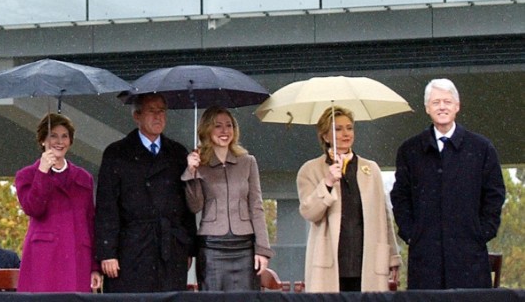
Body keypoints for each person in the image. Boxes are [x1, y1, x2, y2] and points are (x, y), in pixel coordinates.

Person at [390, 78, 505, 289]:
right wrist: (411, 234)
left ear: (457, 106)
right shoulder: (410, 150)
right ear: (427, 108)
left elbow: (494, 195)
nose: (442, 107)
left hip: (468, 257)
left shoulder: (481, 148)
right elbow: (400, 197)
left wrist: (481, 233)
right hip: (426, 259)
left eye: (447, 101)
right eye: (435, 102)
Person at [95, 93, 196, 292]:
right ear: (137, 116)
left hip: (170, 248)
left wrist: (188, 247)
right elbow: (106, 207)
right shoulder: (117, 153)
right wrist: (107, 252)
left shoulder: (177, 153)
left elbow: (186, 206)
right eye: (152, 111)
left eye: (162, 111)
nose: (158, 116)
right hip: (131, 248)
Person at [296, 106, 400, 292]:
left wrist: (392, 257)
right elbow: (309, 212)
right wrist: (327, 182)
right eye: (337, 129)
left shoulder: (371, 168)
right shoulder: (310, 170)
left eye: (349, 128)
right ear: (325, 136)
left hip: (366, 261)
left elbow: (384, 216)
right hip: (330, 262)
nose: (346, 133)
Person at [183, 106, 273, 291]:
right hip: (211, 246)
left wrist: (263, 250)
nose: (224, 131)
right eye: (218, 126)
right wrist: (191, 172)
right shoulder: (200, 163)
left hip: (244, 246)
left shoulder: (248, 162)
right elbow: (195, 206)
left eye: (229, 125)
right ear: (207, 129)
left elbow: (256, 207)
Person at [15, 113, 102, 292]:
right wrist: (43, 172)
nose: (59, 141)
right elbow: (33, 208)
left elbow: (90, 221)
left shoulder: (83, 178)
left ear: (70, 141)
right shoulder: (27, 175)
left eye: (64, 136)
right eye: (53, 135)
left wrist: (95, 267)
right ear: (42, 140)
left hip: (78, 256)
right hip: (44, 257)